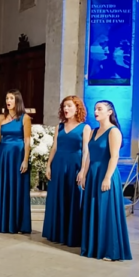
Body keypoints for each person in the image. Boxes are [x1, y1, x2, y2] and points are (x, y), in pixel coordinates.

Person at [81, 100, 132, 261]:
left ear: (109, 112)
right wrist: (84, 173)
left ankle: (111, 251)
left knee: (106, 211)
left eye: (99, 109)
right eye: (95, 109)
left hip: (106, 173)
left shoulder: (113, 131)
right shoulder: (93, 131)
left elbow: (114, 156)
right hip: (93, 174)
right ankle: (94, 247)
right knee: (93, 209)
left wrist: (107, 177)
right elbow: (89, 156)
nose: (96, 112)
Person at [43, 96, 90, 247]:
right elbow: (54, 147)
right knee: (58, 197)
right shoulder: (60, 127)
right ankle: (57, 233)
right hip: (58, 165)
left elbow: (86, 151)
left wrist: (83, 170)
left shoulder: (85, 128)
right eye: (64, 106)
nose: (66, 109)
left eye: (69, 106)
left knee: (73, 198)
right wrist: (48, 165)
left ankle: (72, 235)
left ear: (77, 108)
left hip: (74, 165)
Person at [0, 89, 32, 234]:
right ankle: (2, 221)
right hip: (3, 155)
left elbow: (27, 141)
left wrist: (25, 160)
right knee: (2, 186)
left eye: (11, 98)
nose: (8, 101)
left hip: (17, 156)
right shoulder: (1, 118)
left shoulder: (25, 118)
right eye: (7, 98)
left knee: (17, 187)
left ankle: (17, 223)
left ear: (17, 101)